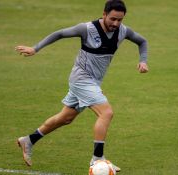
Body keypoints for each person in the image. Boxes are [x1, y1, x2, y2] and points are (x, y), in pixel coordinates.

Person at [15, 0, 148, 172]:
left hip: (94, 82)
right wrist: (35, 48)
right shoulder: (87, 29)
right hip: (81, 79)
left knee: (65, 118)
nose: (116, 23)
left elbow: (142, 41)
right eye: (113, 19)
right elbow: (60, 33)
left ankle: (28, 140)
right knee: (106, 113)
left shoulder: (123, 31)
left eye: (119, 20)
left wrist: (143, 61)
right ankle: (97, 159)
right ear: (104, 14)